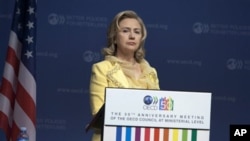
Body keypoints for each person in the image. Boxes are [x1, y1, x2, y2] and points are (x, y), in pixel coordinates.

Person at [89, 10, 160, 141]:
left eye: (137, 32)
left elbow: (158, 113)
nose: (132, 36)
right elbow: (98, 113)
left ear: (141, 38)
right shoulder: (101, 69)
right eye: (126, 31)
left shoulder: (151, 72)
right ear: (115, 37)